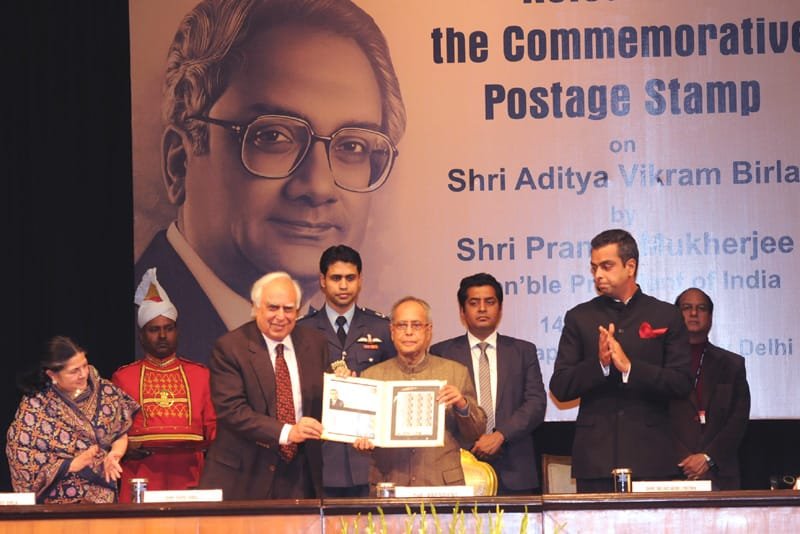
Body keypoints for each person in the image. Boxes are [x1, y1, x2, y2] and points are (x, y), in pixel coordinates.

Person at [134, 0, 407, 363]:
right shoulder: (132, 336)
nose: (318, 187)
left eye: (352, 146)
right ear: (179, 162)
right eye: (273, 136)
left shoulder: (357, 349)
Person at [549, 229, 692, 493]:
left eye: (606, 266)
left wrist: (630, 368)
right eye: (594, 268)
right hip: (595, 458)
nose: (598, 275)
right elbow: (560, 387)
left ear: (630, 267)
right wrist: (600, 364)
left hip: (651, 457)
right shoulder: (580, 317)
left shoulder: (666, 315)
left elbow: (681, 383)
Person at [199, 272, 328, 499]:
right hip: (246, 475)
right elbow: (232, 411)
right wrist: (288, 432)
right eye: (273, 308)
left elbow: (325, 401)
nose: (281, 316)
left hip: (299, 474)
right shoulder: (230, 348)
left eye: (288, 309)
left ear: (298, 311)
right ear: (256, 307)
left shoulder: (315, 344)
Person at [430, 273, 547, 495]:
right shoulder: (442, 353)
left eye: (490, 302)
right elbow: (438, 411)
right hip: (459, 467)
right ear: (462, 311)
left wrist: (500, 435)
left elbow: (536, 404)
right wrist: (475, 442)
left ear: (500, 308)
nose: (482, 309)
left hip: (515, 467)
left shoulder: (523, 351)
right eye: (474, 303)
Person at [354, 297, 486, 488]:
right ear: (392, 331)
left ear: (429, 330)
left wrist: (462, 404)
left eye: (416, 325)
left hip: (441, 485)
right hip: (389, 483)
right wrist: (362, 442)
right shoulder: (372, 377)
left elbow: (475, 432)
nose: (408, 332)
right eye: (401, 325)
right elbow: (361, 434)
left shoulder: (455, 372)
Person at [112, 268, 217, 502]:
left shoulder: (200, 375)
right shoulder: (124, 377)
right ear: (141, 335)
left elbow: (213, 429)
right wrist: (125, 447)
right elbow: (113, 431)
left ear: (177, 332)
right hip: (140, 475)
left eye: (168, 328)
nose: (162, 336)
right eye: (154, 330)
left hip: (190, 475)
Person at [297, 244, 393, 497]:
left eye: (350, 278)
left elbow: (393, 383)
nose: (343, 286)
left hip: (369, 455)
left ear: (360, 281)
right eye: (336, 278)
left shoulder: (382, 328)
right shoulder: (302, 330)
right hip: (320, 453)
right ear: (322, 281)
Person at [6, 336, 139, 503]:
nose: (83, 374)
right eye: (74, 371)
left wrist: (115, 454)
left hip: (102, 500)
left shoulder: (105, 391)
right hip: (56, 504)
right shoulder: (36, 406)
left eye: (84, 365)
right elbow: (21, 455)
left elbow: (120, 431)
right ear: (52, 375)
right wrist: (71, 465)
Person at [670, 287, 751, 490]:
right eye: (686, 307)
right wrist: (684, 459)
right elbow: (651, 417)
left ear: (711, 317)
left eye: (701, 308)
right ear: (675, 316)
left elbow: (738, 418)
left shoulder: (732, 365)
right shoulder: (659, 363)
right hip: (670, 472)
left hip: (720, 473)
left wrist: (708, 457)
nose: (694, 313)